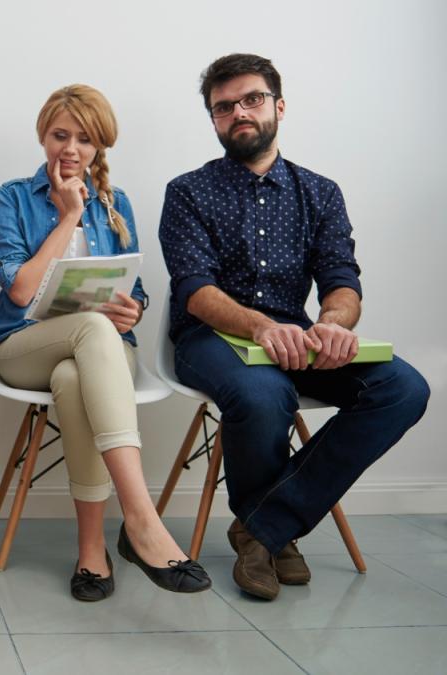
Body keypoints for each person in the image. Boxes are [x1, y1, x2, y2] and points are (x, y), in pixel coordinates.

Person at [159, 53, 429, 600]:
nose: (239, 112)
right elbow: (195, 288)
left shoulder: (320, 192)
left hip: (298, 336)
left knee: (403, 388)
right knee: (265, 391)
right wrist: (260, 327)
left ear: (278, 106)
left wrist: (333, 324)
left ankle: (262, 527)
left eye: (251, 99)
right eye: (223, 106)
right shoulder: (188, 190)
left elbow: (341, 278)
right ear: (213, 120)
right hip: (207, 338)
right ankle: (274, 535)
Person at [0, 85, 211, 601]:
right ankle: (141, 520)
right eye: (60, 135)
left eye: (84, 139)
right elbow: (19, 291)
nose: (71, 148)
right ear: (43, 134)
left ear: (100, 145)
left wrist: (136, 308)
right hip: (23, 347)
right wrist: (67, 217)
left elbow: (135, 287)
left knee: (74, 374)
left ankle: (92, 550)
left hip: (101, 354)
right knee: (91, 328)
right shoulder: (13, 196)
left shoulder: (118, 202)